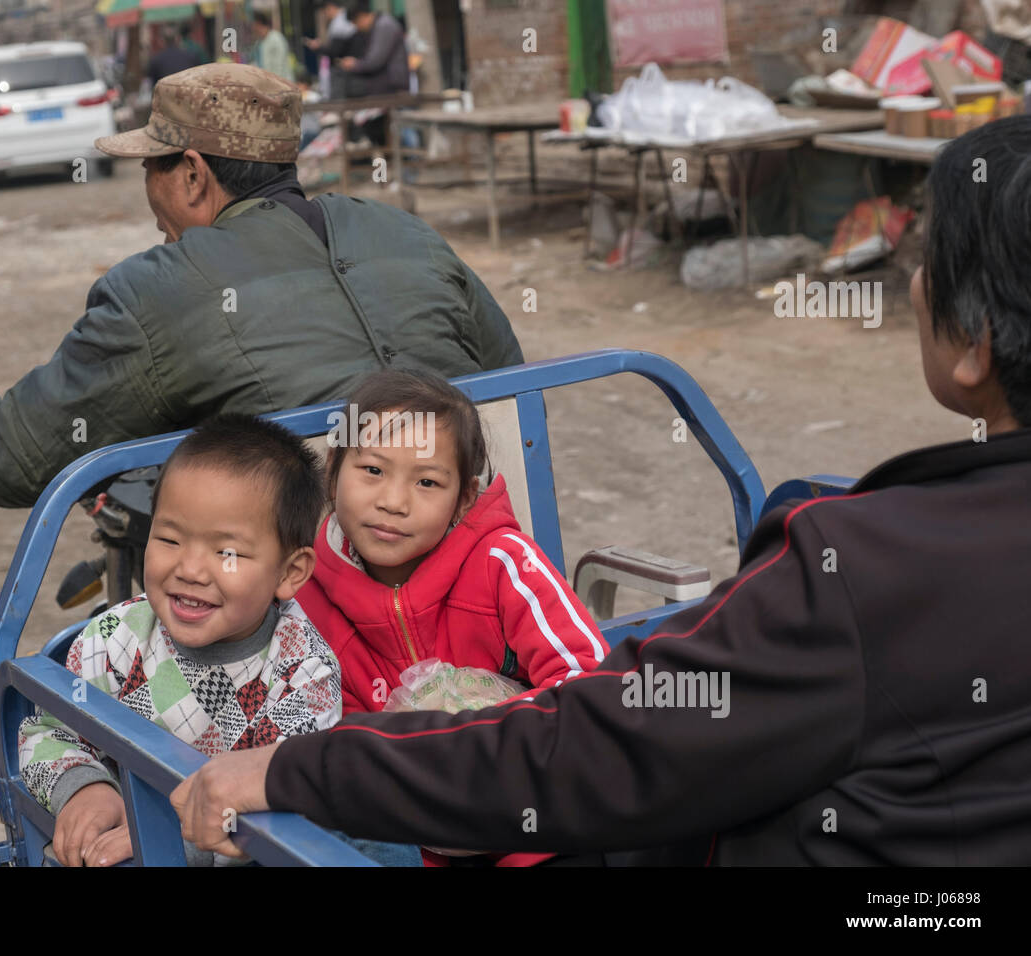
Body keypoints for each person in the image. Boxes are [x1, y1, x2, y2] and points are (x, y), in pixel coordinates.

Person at [171, 116, 1031, 867]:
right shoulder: (307, 581)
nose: (392, 501)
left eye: (928, 257)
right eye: (369, 472)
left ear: (976, 343)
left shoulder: (864, 567)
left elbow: (596, 742)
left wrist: (300, 767)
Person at [0, 64, 522, 508]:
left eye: (148, 168)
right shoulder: (404, 230)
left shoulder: (155, 290)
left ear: (190, 174)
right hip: (491, 559)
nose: (151, 201)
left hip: (311, 620)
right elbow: (508, 377)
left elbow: (22, 460)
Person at [296, 369, 608, 866]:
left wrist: (473, 744)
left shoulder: (503, 562)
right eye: (373, 471)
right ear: (333, 470)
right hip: (414, 842)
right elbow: (333, 742)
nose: (393, 503)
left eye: (426, 482)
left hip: (539, 826)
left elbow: (590, 684)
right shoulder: (309, 603)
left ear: (464, 497)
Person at [18, 414, 342, 867]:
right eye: (169, 538)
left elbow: (284, 803)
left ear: (289, 573)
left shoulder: (302, 675)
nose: (189, 569)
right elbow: (46, 729)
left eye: (226, 552)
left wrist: (164, 834)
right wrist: (85, 788)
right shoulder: (117, 639)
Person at [339, 2, 409, 97]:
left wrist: (355, 64)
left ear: (362, 16)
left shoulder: (384, 25)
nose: (357, 28)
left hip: (392, 85)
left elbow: (375, 61)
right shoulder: (377, 26)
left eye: (355, 23)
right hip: (385, 84)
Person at [306, 0, 367, 99]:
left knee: (340, 102)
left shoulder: (340, 23)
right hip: (352, 69)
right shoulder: (342, 20)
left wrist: (319, 47)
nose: (325, 15)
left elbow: (335, 51)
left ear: (330, 7)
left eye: (325, 11)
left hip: (345, 70)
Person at [250, 13, 296, 84]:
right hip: (267, 83)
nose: (253, 28)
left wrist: (275, 83)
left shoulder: (276, 39)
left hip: (281, 83)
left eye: (254, 25)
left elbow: (279, 65)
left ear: (259, 24)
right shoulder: (259, 43)